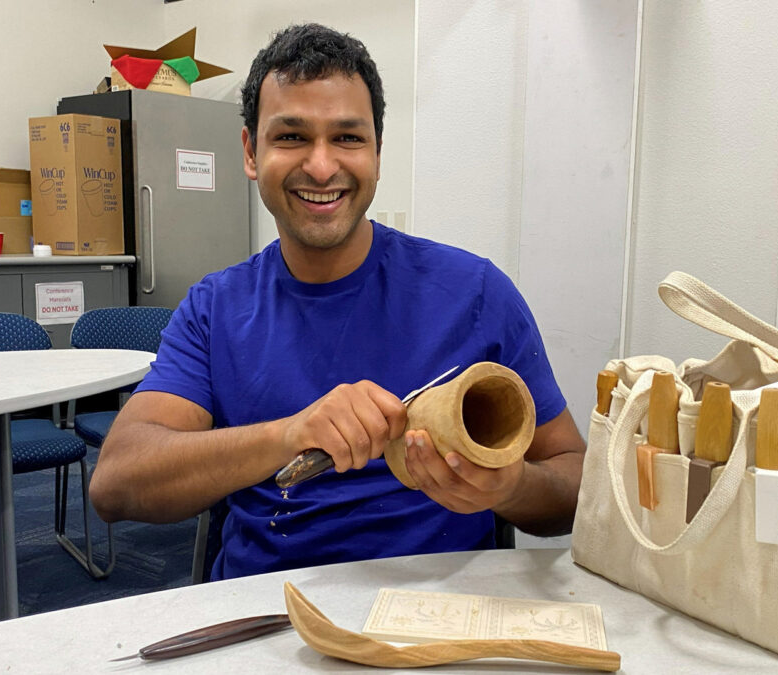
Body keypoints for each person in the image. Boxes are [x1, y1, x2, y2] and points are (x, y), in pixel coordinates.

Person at [90, 23, 585, 582]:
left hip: (443, 609)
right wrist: (288, 434)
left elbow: (574, 478)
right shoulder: (216, 309)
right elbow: (116, 482)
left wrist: (514, 487)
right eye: (292, 137)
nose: (322, 167)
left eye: (348, 138)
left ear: (377, 150)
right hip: (268, 611)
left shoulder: (475, 294)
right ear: (252, 152)